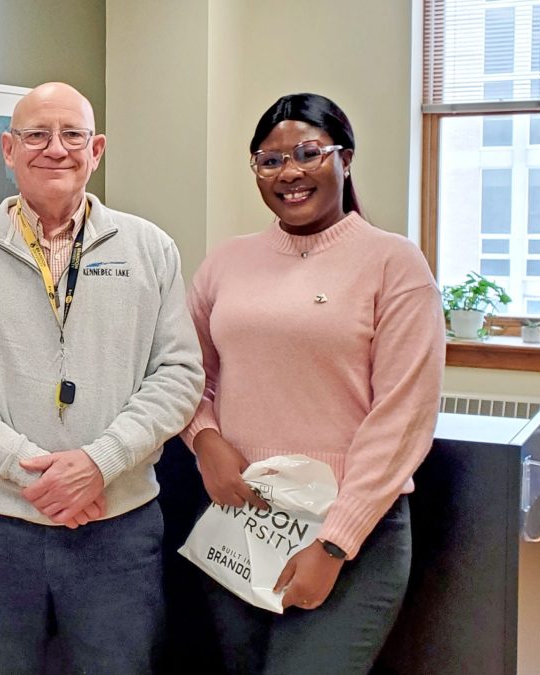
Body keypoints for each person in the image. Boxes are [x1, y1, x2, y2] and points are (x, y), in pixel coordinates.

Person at [0, 82, 204, 675]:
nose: (55, 149)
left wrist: (99, 462)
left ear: (96, 149)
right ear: (8, 150)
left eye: (72, 135)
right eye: (36, 135)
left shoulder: (150, 249)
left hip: (115, 526)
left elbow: (178, 374)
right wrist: (31, 473)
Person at [182, 93, 445, 674]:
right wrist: (205, 442)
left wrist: (334, 543)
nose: (290, 173)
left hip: (351, 532)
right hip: (243, 518)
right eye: (270, 160)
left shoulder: (394, 263)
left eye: (308, 153)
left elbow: (404, 416)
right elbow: (184, 376)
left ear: (344, 158)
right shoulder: (226, 263)